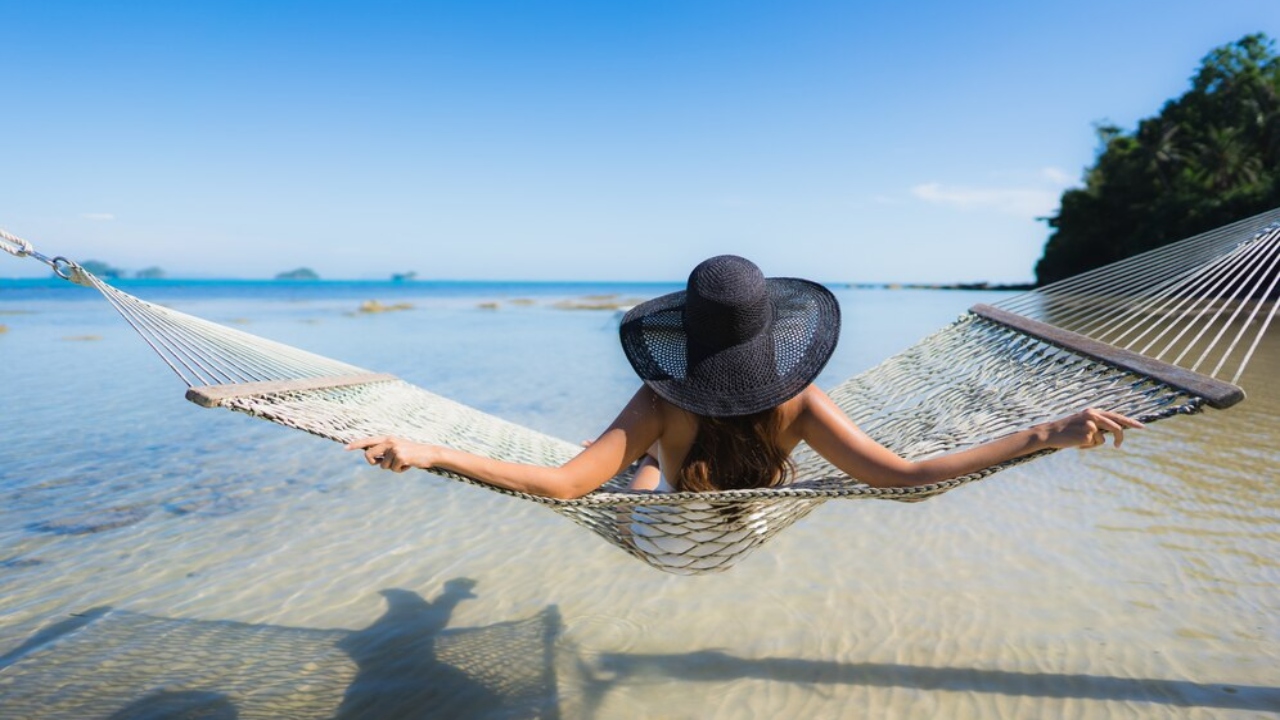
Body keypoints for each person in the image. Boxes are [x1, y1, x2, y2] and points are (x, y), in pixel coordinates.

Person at [347, 255, 1142, 499]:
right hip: (738, 500)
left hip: (677, 489)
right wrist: (1048, 431)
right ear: (773, 334)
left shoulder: (661, 399)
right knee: (647, 485)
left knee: (638, 484)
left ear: (684, 336)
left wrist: (431, 450)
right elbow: (905, 476)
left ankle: (648, 478)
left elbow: (562, 484)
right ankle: (649, 480)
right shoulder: (798, 404)